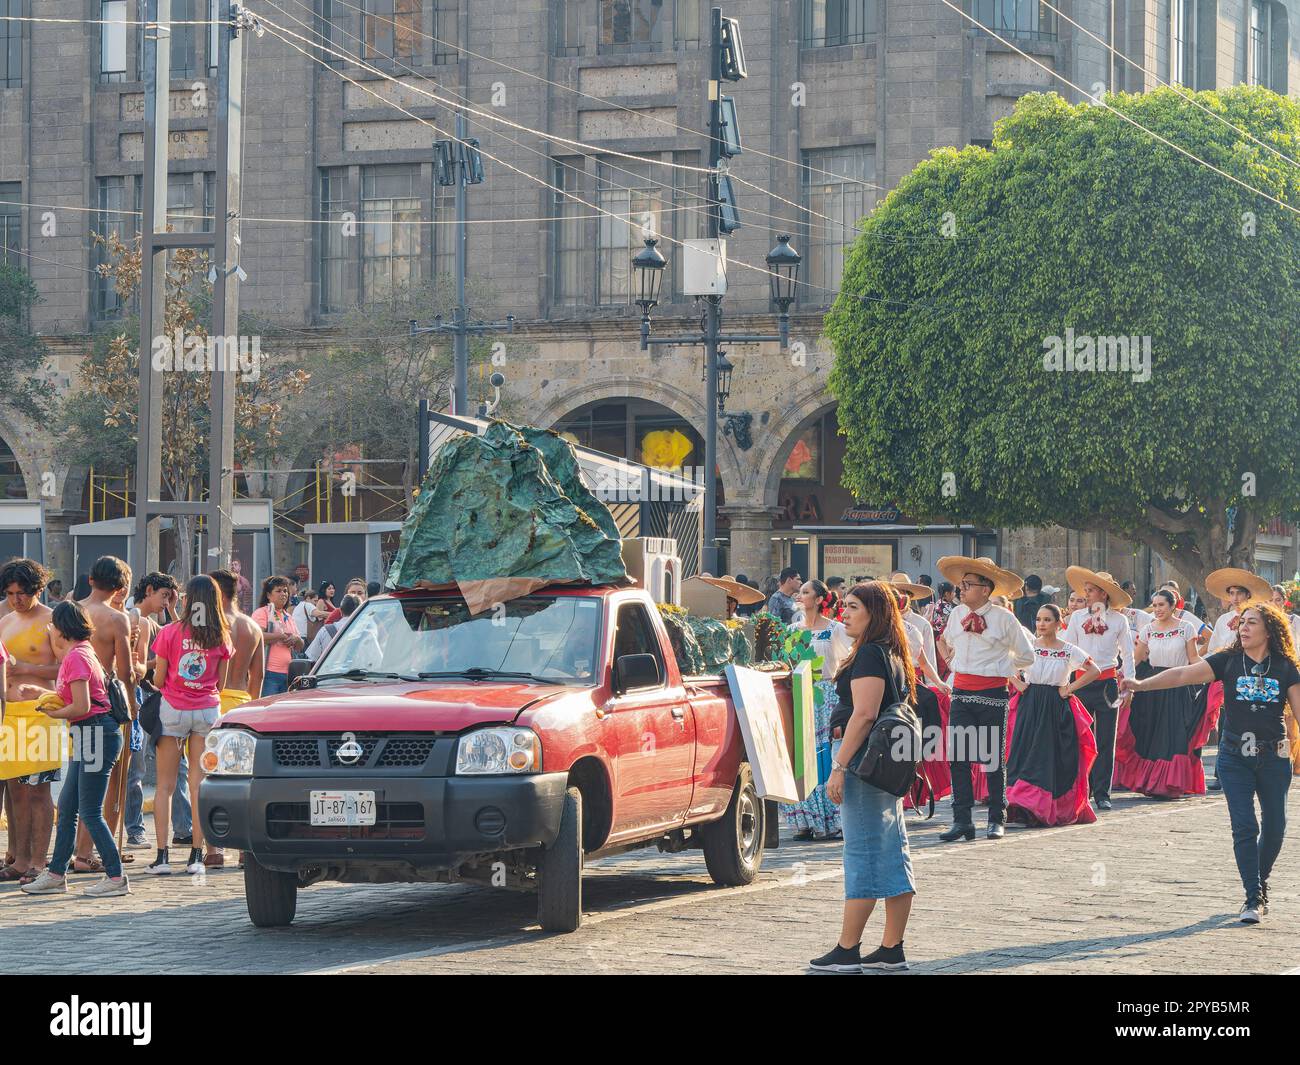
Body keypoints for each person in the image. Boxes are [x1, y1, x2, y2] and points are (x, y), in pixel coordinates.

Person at [1122, 602, 1299, 923]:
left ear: (1269, 630)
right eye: (1241, 622)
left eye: (1251, 623)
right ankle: (1252, 896)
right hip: (1233, 758)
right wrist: (1142, 684)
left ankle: (1259, 883)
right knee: (1246, 825)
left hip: (1274, 758)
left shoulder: (1286, 668)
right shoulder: (1227, 661)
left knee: (1276, 828)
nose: (1243, 627)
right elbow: (1183, 674)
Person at [809, 581, 917, 973]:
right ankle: (891, 948)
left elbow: (864, 714)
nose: (845, 613)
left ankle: (848, 948)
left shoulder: (871, 653)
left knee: (864, 855)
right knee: (891, 852)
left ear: (875, 613)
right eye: (844, 606)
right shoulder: (888, 651)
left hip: (864, 764)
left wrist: (839, 768)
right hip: (884, 766)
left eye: (853, 607)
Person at [20, 602, 129, 898]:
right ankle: (56, 874)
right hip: (90, 733)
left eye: (54, 625)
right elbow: (76, 696)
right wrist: (42, 693)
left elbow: (80, 706)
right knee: (67, 808)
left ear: (62, 628)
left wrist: (52, 713)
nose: (51, 630)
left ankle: (116, 877)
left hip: (93, 733)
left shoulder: (76, 657)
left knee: (90, 812)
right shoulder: (83, 652)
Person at [936, 556, 1034, 841]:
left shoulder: (1005, 618)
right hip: (962, 692)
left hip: (992, 692)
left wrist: (1005, 669)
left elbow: (1027, 656)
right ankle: (962, 820)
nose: (961, 590)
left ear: (985, 589)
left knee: (992, 758)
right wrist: (952, 662)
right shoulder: (956, 615)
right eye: (961, 585)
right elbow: (946, 641)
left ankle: (996, 818)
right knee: (959, 758)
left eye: (968, 585)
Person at [145, 575, 233, 875]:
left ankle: (162, 856)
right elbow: (221, 683)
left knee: (165, 786)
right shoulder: (222, 636)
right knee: (198, 785)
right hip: (207, 710)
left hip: (173, 709)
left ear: (187, 599)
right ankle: (197, 856)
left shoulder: (170, 632)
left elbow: (157, 679)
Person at [1006, 603, 1100, 826]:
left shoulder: (1068, 650)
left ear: (1059, 624)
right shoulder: (1028, 646)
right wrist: (1016, 682)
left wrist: (1070, 688)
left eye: (1047, 619)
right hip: (1030, 703)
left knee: (1046, 757)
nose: (1041, 624)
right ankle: (1020, 807)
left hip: (1056, 706)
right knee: (1023, 753)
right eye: (1038, 619)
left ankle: (1041, 807)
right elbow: (1003, 662)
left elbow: (1095, 670)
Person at [1115, 589, 1212, 798]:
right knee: (1152, 735)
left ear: (1173, 605)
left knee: (1175, 735)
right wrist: (1120, 673)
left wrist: (1213, 670)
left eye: (1161, 605)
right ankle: (1153, 782)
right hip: (1154, 688)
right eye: (1155, 605)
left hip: (1180, 684)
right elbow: (1136, 658)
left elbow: (1193, 657)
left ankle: (1172, 782)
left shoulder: (1186, 627)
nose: (1157, 609)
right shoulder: (1148, 629)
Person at [73, 556, 137, 872]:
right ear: (120, 587)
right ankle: (86, 855)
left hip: (73, 703)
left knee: (82, 783)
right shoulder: (116, 619)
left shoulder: (72, 611)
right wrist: (133, 707)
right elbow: (125, 673)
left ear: (90, 580)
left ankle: (78, 852)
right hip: (103, 707)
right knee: (100, 786)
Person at [123, 572, 191, 852]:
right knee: (134, 768)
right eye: (164, 596)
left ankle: (181, 828)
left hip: (158, 698)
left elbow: (181, 639)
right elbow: (134, 667)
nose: (166, 602)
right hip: (138, 697)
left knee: (177, 767)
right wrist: (157, 662)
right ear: (149, 590)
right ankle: (135, 829)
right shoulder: (133, 618)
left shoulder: (151, 623)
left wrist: (174, 608)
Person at [780, 579, 851, 842]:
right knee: (803, 756)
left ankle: (832, 820)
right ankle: (805, 818)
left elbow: (850, 657)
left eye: (806, 592)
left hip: (827, 697)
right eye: (801, 591)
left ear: (820, 599)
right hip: (800, 695)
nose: (801, 595)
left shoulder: (836, 630)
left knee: (825, 756)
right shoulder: (791, 630)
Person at [0, 559, 56, 885]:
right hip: (10, 715)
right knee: (16, 792)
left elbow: (66, 667)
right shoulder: (5, 621)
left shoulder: (52, 621)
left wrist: (25, 670)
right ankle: (20, 860)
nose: (16, 599)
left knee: (38, 792)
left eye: (22, 593)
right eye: (10, 593)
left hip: (42, 714)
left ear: (37, 590)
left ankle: (38, 861)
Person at [1062, 567, 1136, 812]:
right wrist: (1065, 681)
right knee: (1079, 738)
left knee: (1106, 740)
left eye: (1091, 590)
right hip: (1081, 682)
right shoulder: (1076, 617)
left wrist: (1130, 685)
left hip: (1107, 683)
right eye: (1086, 590)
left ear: (1104, 594)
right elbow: (1068, 649)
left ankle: (1103, 792)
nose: (1086, 594)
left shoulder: (1119, 619)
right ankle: (1080, 788)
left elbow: (1128, 653)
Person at [889, 575, 952, 808]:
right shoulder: (876, 625)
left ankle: (913, 788)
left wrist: (936, 684)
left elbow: (926, 662)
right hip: (888, 683)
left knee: (917, 737)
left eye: (902, 596)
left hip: (911, 683)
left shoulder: (917, 627)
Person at [210, 569, 265, 719]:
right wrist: (253, 709)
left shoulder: (212, 623)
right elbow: (258, 676)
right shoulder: (253, 626)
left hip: (211, 701)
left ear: (217, 592)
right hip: (242, 702)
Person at [252, 575, 303, 696]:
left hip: (288, 675)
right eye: (278, 591)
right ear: (269, 595)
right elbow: (257, 637)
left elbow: (300, 646)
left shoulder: (288, 616)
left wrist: (296, 639)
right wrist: (280, 636)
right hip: (268, 673)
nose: (283, 594)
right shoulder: (262, 612)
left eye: (285, 591)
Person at [306, 594, 362, 661]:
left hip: (329, 671)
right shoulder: (367, 632)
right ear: (361, 611)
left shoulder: (325, 631)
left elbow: (312, 657)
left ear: (340, 611)